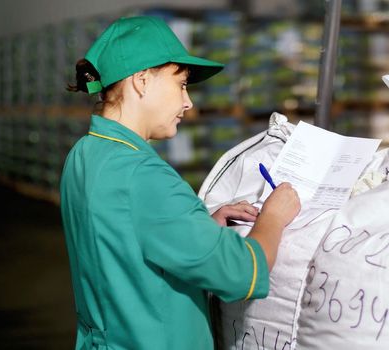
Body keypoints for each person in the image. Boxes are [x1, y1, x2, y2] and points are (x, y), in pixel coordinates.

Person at [60, 16, 300, 349]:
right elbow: (242, 272)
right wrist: (274, 216)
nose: (188, 102)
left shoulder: (86, 154)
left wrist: (196, 225)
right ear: (142, 80)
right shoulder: (142, 174)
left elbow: (125, 238)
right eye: (182, 84)